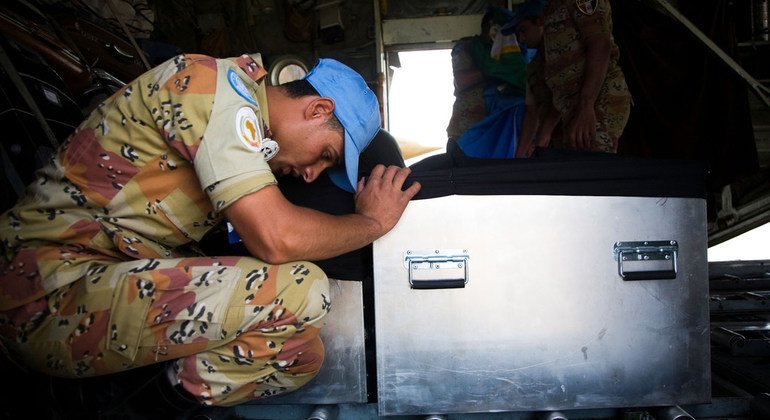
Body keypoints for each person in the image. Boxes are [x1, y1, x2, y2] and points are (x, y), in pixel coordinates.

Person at [0, 53, 420, 415]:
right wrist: (373, 224)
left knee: (301, 357)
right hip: (44, 288)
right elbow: (277, 239)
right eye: (325, 156)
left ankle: (143, 405)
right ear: (317, 109)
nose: (311, 174)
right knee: (303, 290)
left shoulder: (247, 134)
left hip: (99, 286)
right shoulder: (217, 89)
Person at [511, 0, 631, 157]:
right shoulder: (549, 11)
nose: (520, 39)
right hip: (573, 109)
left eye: (523, 30)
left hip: (598, 101)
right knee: (577, 168)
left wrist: (586, 106)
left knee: (593, 167)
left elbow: (600, 44)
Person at [446, 6, 529, 158]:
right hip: (468, 126)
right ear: (492, 27)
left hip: (501, 131)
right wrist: (494, 69)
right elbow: (461, 82)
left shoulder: (516, 51)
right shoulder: (467, 47)